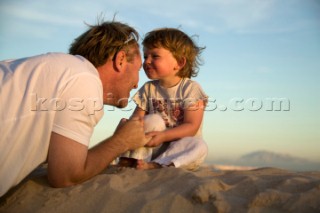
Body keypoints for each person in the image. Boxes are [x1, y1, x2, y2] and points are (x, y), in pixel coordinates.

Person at [0, 20, 150, 197]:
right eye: (138, 69)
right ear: (121, 60)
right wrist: (122, 141)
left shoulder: (59, 70)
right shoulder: (84, 78)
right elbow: (65, 175)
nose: (136, 84)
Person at [118, 28, 208, 170]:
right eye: (146, 56)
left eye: (155, 56)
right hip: (153, 147)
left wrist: (164, 136)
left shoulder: (191, 89)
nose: (147, 61)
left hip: (178, 151)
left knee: (199, 145)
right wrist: (128, 125)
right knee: (151, 121)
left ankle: (156, 165)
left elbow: (191, 126)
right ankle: (131, 160)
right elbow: (138, 118)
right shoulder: (148, 89)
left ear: (179, 62)